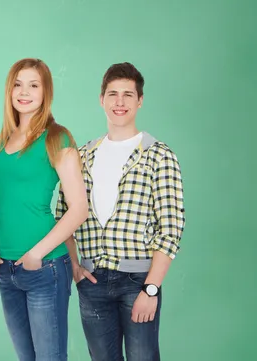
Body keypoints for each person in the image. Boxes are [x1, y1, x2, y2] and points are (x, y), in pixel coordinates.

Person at [58, 62, 185, 361]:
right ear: (101, 99)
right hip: (92, 281)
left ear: (139, 101)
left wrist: (151, 289)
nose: (119, 102)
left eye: (128, 94)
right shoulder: (83, 155)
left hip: (137, 282)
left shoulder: (158, 155)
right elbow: (64, 215)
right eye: (113, 94)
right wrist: (75, 266)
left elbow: (171, 227)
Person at [0, 58, 88, 361]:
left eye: (34, 85)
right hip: (6, 269)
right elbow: (5, 206)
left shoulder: (57, 137)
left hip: (44, 267)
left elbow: (79, 208)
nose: (24, 91)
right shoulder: (5, 139)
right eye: (18, 84)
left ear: (46, 92)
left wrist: (36, 254)